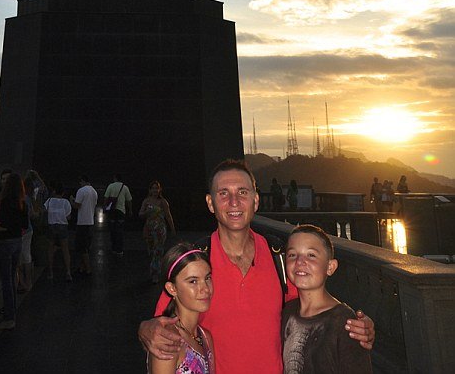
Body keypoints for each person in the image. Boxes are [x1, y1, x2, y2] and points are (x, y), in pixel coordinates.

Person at [140, 158, 374, 374]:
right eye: (224, 193)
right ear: (210, 203)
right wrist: (145, 329)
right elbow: (163, 326)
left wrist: (353, 323)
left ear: (256, 200)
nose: (234, 202)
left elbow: (314, 305)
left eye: (242, 192)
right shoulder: (196, 264)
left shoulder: (279, 257)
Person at [282, 224, 372, 373]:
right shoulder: (287, 311)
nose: (299, 261)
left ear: (330, 267)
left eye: (311, 255)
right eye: (292, 255)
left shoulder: (345, 322)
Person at [148, 243, 215, 374]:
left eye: (207, 278)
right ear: (172, 288)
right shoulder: (167, 341)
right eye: (193, 281)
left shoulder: (205, 337)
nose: (205, 289)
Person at [0, 172, 29, 330]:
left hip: (5, 243)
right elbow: (25, 225)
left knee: (6, 281)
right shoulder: (23, 203)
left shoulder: (6, 201)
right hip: (17, 243)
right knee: (12, 279)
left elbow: (3, 226)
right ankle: (11, 313)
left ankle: (9, 318)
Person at [139, 180, 176, 282]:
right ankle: (155, 269)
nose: (155, 190)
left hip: (160, 229)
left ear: (160, 190)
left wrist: (172, 228)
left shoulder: (163, 202)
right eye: (153, 188)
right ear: (150, 190)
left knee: (158, 251)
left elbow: (168, 216)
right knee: (151, 251)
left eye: (157, 188)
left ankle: (156, 273)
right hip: (149, 228)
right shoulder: (146, 201)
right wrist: (147, 212)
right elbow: (140, 214)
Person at [70, 175, 99, 276]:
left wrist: (72, 200)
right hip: (90, 222)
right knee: (86, 247)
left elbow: (77, 206)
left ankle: (88, 269)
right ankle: (82, 268)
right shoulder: (94, 192)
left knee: (81, 247)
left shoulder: (81, 191)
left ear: (83, 181)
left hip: (82, 222)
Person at [44, 182, 72, 281]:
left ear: (54, 191)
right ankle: (68, 272)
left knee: (50, 249)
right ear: (63, 193)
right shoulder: (66, 202)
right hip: (63, 226)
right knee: (65, 249)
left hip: (51, 225)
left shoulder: (49, 200)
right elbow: (68, 217)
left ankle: (50, 272)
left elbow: (45, 210)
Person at [104, 175, 132, 256]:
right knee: (119, 231)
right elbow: (129, 200)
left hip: (112, 211)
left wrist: (105, 207)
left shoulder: (110, 186)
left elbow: (106, 197)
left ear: (114, 178)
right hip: (121, 211)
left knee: (112, 230)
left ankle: (113, 248)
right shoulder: (125, 187)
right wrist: (130, 210)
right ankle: (119, 250)